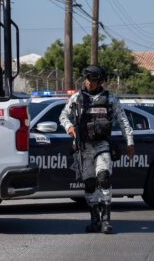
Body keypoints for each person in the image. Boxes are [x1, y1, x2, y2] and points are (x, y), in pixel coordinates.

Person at [59, 65, 135, 234]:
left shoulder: (110, 99)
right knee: (89, 184)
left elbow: (123, 121)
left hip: (102, 145)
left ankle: (106, 221)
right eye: (86, 79)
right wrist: (69, 127)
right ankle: (95, 220)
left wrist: (129, 142)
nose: (88, 83)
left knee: (104, 177)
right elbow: (63, 116)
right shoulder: (77, 98)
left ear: (100, 82)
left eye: (92, 80)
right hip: (84, 146)